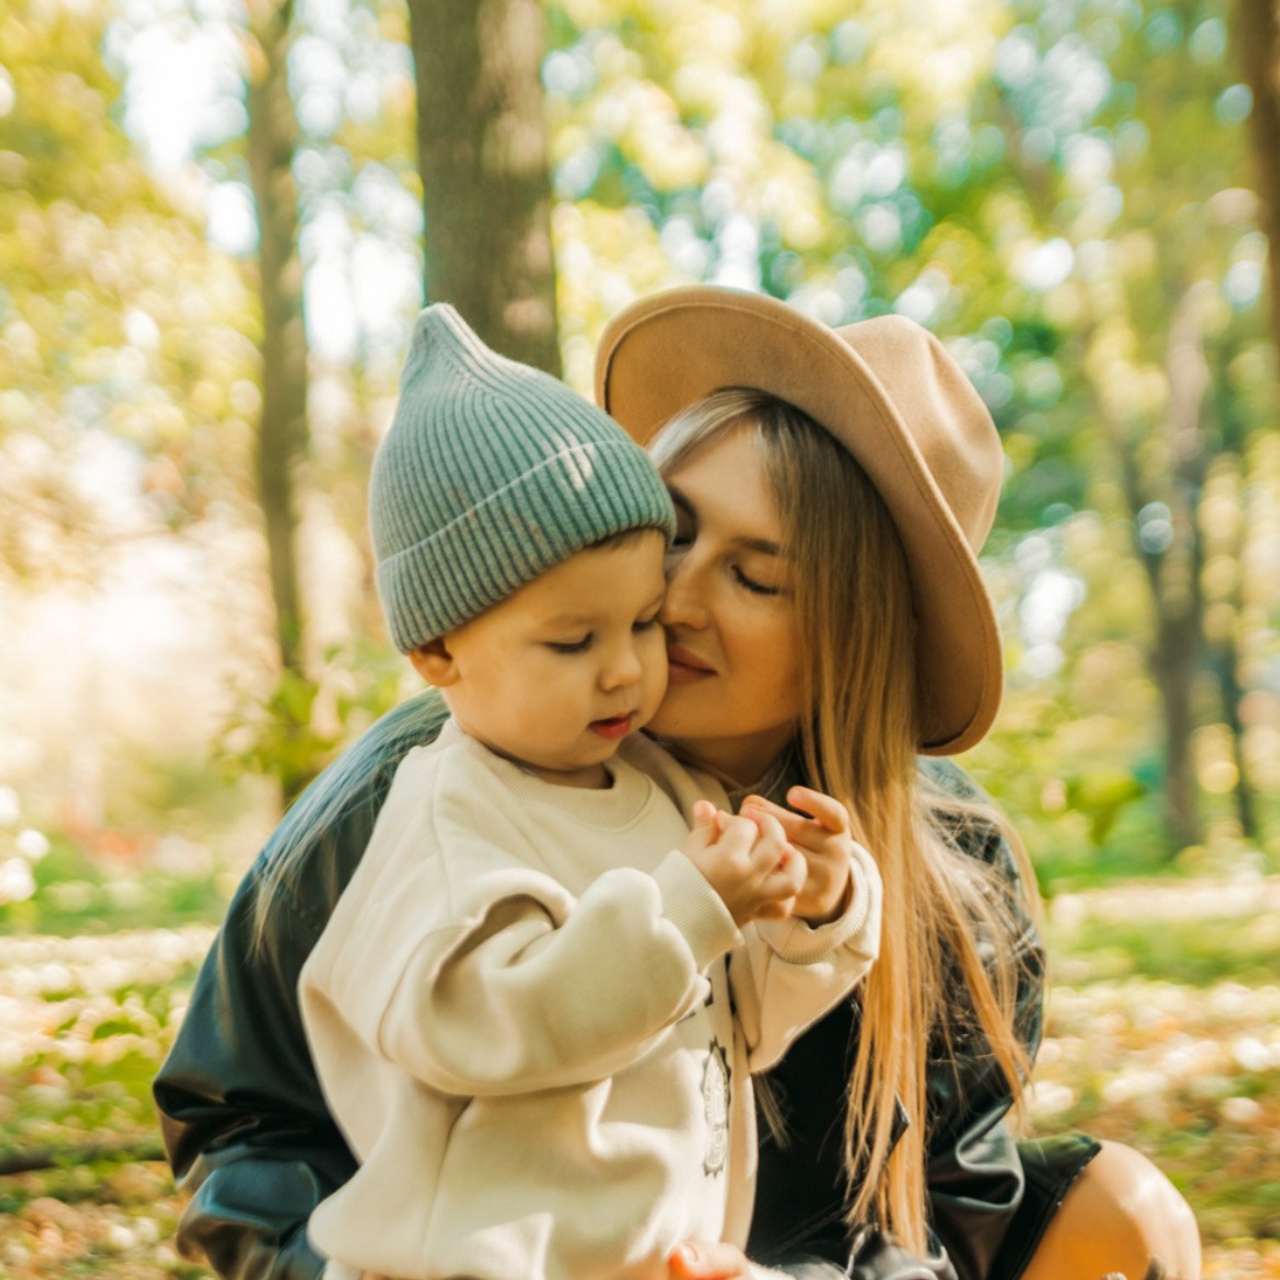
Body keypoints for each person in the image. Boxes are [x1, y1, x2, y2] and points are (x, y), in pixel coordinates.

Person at [154, 285, 1201, 1280]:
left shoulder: (947, 859)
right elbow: (237, 1112)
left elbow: (943, 1208)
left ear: (858, 634)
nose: (676, 596)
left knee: (1124, 1205)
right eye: (677, 530)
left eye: (754, 575)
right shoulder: (431, 781)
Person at [293, 301, 882, 1280]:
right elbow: (470, 1026)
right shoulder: (449, 814)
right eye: (574, 641)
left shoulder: (655, 783)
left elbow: (737, 1025)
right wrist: (689, 910)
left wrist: (810, 903)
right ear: (438, 651)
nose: (624, 672)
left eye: (642, 622)